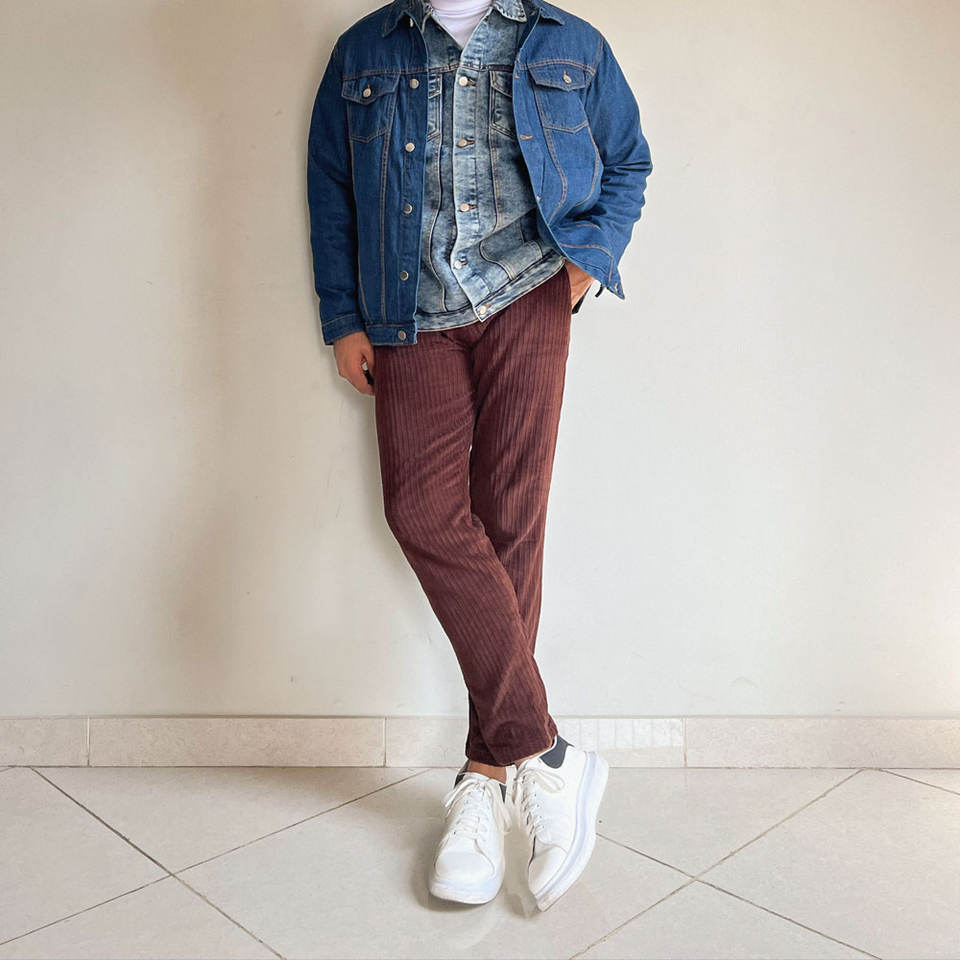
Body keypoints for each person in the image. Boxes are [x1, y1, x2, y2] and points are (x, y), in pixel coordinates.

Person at [307, 0, 652, 910]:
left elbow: (628, 162)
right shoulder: (364, 49)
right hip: (407, 310)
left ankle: (485, 776)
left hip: (529, 296)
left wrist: (589, 261)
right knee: (420, 510)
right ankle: (545, 751)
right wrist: (343, 317)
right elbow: (332, 190)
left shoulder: (570, 43)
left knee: (511, 524)